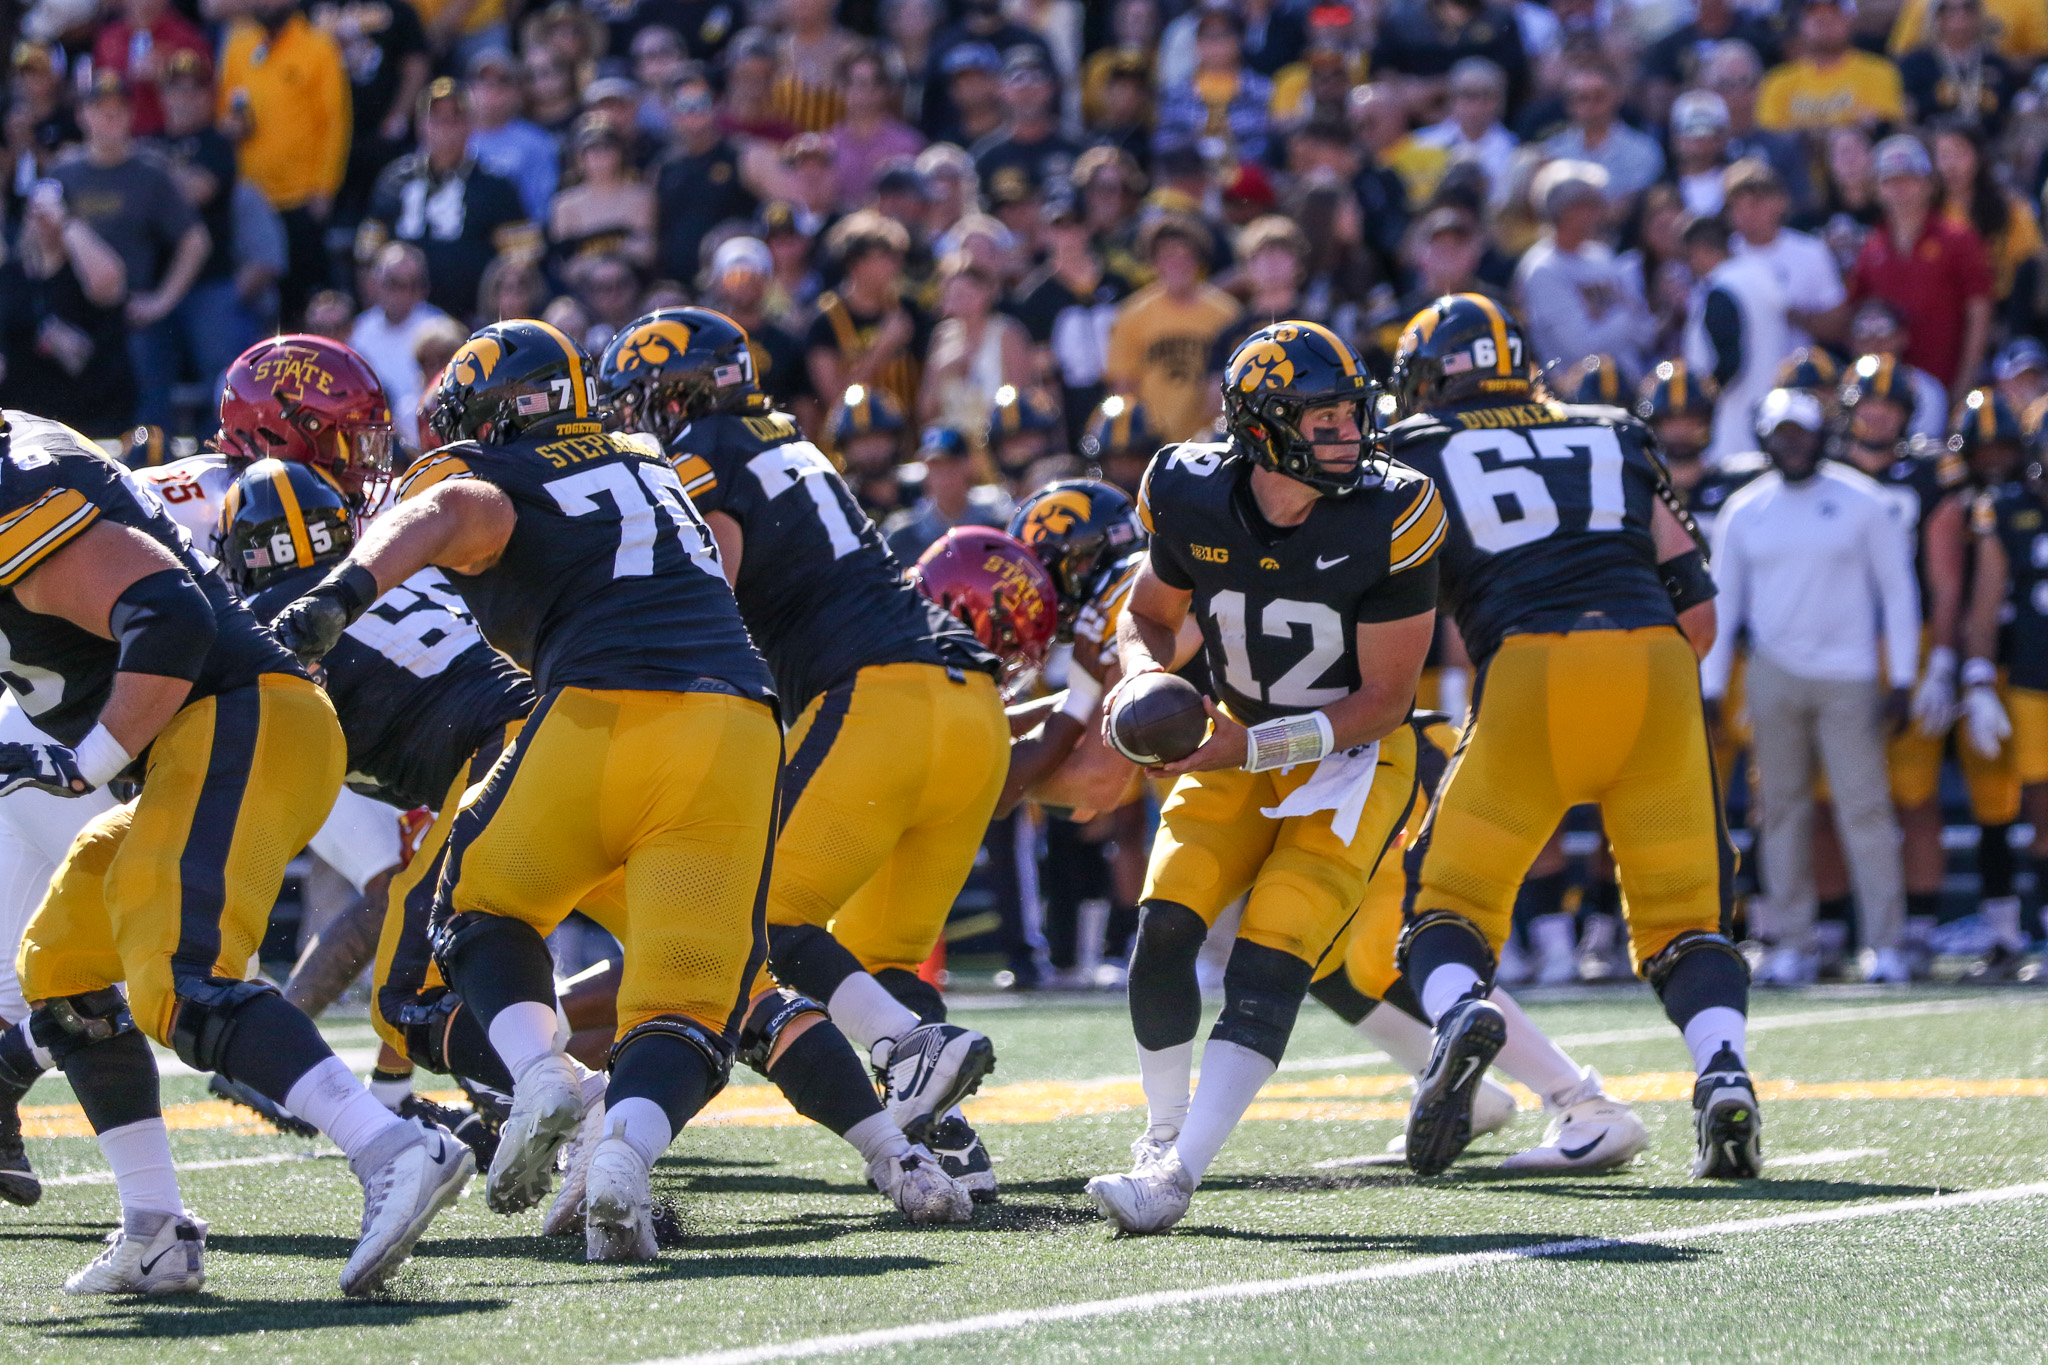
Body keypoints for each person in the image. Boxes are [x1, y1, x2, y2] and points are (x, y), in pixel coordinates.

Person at [269, 319, 780, 1262]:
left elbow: (455, 514)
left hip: (600, 710)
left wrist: (343, 590)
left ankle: (541, 1072)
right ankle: (624, 1155)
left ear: (490, 415)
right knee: (692, 1002)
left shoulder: (492, 469)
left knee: (474, 907)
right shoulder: (646, 456)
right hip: (741, 724)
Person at [0, 403, 469, 1297]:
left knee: (178, 972)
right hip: (202, 740)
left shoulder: (16, 483)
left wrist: (80, 761)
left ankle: (393, 1145)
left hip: (241, 712)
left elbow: (167, 611)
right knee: (63, 962)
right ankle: (155, 1230)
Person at [602, 305, 1013, 1199]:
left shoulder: (708, 446)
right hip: (960, 709)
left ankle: (911, 1045)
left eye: (640, 401)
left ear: (674, 393)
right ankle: (947, 1141)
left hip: (870, 699)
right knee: (885, 957)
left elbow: (711, 575)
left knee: (763, 915)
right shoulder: (789, 438)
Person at [1384, 294, 1759, 1181]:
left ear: (1432, 378)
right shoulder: (1613, 430)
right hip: (1656, 665)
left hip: (1530, 668)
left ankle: (1459, 1015)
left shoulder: (1411, 449)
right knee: (1686, 921)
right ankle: (1722, 1072)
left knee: (1444, 911)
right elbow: (1699, 616)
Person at [1081, 321, 1438, 1234]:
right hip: (1232, 732)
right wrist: (1142, 678)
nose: (1346, 433)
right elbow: (1149, 617)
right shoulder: (1188, 489)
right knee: (1165, 926)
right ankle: (1159, 1133)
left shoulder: (1392, 509)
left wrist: (1246, 747)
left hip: (1354, 757)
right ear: (1262, 428)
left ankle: (1179, 1176)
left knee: (1269, 956)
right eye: (1320, 418)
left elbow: (1386, 699)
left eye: (1348, 413)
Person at [1703, 389, 1920, 986]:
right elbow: (1726, 602)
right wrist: (1713, 686)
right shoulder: (1745, 509)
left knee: (1866, 809)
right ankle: (1792, 941)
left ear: (1820, 434)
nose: (1791, 443)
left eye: (1800, 431)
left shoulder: (1863, 501)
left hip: (1849, 674)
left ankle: (1885, 943)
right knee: (1780, 812)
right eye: (1781, 433)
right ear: (1765, 438)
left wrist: (1901, 677)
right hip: (1773, 673)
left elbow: (1897, 592)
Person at [54, 73, 209, 430]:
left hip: (132, 313)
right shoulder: (64, 172)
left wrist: (162, 301)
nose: (109, 118)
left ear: (130, 116)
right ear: (82, 115)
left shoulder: (150, 172)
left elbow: (195, 240)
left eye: (117, 110)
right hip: (75, 314)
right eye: (99, 109)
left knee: (147, 423)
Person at [356, 79, 539, 322]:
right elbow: (367, 255)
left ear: (471, 124)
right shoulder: (394, 178)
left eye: (455, 117)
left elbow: (522, 262)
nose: (446, 127)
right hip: (401, 323)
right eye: (436, 118)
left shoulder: (496, 185)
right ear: (421, 124)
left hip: (471, 322)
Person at [218, 0, 352, 320]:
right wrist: (230, 124)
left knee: (302, 299)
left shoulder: (317, 46)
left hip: (301, 196)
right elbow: (224, 109)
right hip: (252, 196)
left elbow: (335, 121)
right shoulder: (239, 44)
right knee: (258, 305)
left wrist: (325, 186)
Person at [1848, 134, 1993, 394]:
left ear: (1929, 185)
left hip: (1945, 381)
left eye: (1908, 180)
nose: (1899, 189)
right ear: (1877, 189)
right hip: (1887, 395)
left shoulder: (1959, 238)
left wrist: (1965, 383)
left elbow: (1979, 314)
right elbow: (1857, 317)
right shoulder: (1871, 247)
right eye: (1890, 181)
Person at [0, 179, 132, 434]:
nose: (42, 222)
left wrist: (66, 223)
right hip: (22, 424)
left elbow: (109, 285)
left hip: (89, 421)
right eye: (34, 213)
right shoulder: (11, 276)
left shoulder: (87, 272)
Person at [1103, 214, 1240, 445]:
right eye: (1168, 257)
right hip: (1150, 442)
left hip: (1211, 441)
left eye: (1186, 256)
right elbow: (1123, 385)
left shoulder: (1227, 313)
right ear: (1153, 262)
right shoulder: (1132, 315)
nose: (1178, 265)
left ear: (1199, 261)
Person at [1514, 161, 1654, 384]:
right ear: (1565, 210)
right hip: (1576, 395)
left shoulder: (1600, 255)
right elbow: (1582, 348)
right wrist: (1626, 317)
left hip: (1628, 386)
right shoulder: (1542, 268)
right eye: (1591, 205)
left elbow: (1645, 334)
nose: (1600, 212)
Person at [1682, 213, 1792, 463]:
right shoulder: (1760, 274)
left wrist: (1701, 401)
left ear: (1701, 250)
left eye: (1690, 256)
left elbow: (1730, 360)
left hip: (1734, 421)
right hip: (1771, 412)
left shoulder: (1723, 287)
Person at [807, 211, 931, 423]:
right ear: (856, 263)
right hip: (850, 448)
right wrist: (883, 347)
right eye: (886, 256)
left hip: (906, 443)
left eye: (898, 255)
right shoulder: (824, 322)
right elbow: (836, 402)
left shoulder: (911, 311)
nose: (897, 264)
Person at [1726, 159, 1848, 353]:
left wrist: (1790, 313)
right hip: (1738, 378)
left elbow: (1838, 326)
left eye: (1756, 202)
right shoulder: (1724, 256)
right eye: (1737, 204)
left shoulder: (1811, 251)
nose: (1746, 211)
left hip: (1797, 375)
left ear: (1780, 202)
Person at [652, 68, 758, 285]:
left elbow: (786, 211)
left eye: (701, 102)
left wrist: (743, 232)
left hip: (735, 283)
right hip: (678, 285)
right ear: (669, 110)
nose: (693, 112)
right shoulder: (662, 167)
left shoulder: (744, 155)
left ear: (717, 104)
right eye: (684, 104)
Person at [348, 244, 451, 450]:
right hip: (373, 440)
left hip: (426, 440)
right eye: (394, 283)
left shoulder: (439, 328)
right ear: (375, 283)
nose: (403, 293)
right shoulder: (360, 330)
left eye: (413, 284)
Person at [918, 252, 1031, 433]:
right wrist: (945, 369)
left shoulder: (1007, 333)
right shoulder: (942, 336)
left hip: (998, 435)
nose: (962, 302)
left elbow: (1021, 398)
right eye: (955, 295)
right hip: (953, 439)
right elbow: (925, 412)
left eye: (969, 294)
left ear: (988, 293)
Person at [1756, 0, 1906, 132]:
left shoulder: (1880, 72)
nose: (1824, 18)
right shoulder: (1777, 82)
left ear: (1849, 19)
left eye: (1833, 12)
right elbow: (1772, 139)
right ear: (1801, 23)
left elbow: (1886, 129)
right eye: (1814, 13)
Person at [883, 424, 1013, 562]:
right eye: (935, 467)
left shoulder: (996, 525)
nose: (943, 477)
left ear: (969, 465)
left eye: (951, 465)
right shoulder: (902, 535)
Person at [1544, 60, 1665, 203]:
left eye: (1599, 97)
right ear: (1569, 104)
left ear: (1617, 96)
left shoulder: (1644, 151)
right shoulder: (1552, 153)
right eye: (1582, 98)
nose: (1590, 105)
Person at [90, 0, 210, 140]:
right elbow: (96, 90)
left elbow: (206, 98)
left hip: (171, 137)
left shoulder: (186, 37)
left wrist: (166, 74)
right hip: (122, 138)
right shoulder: (109, 38)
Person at [549, 118, 657, 273]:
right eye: (592, 150)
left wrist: (593, 249)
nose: (600, 157)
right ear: (579, 157)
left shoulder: (641, 196)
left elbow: (646, 252)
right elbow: (567, 263)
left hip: (633, 278)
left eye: (607, 148)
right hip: (584, 284)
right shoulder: (564, 204)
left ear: (620, 153)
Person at [464, 48, 559, 223]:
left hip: (514, 237)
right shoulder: (448, 135)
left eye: (502, 81)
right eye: (482, 80)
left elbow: (543, 209)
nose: (491, 88)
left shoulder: (537, 142)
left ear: (517, 91)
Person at [1898, 0, 2021, 133]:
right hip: (1932, 140)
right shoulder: (1915, 64)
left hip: (1988, 142)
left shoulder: (1996, 64)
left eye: (1968, 8)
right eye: (1947, 9)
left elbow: (2009, 112)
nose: (1959, 15)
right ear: (1936, 16)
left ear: (1979, 15)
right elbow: (1907, 111)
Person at [1413, 58, 1516, 212]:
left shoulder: (1514, 151)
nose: (1476, 105)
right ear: (1452, 99)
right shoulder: (1422, 143)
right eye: (1467, 95)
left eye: (1486, 95)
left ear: (1500, 101)